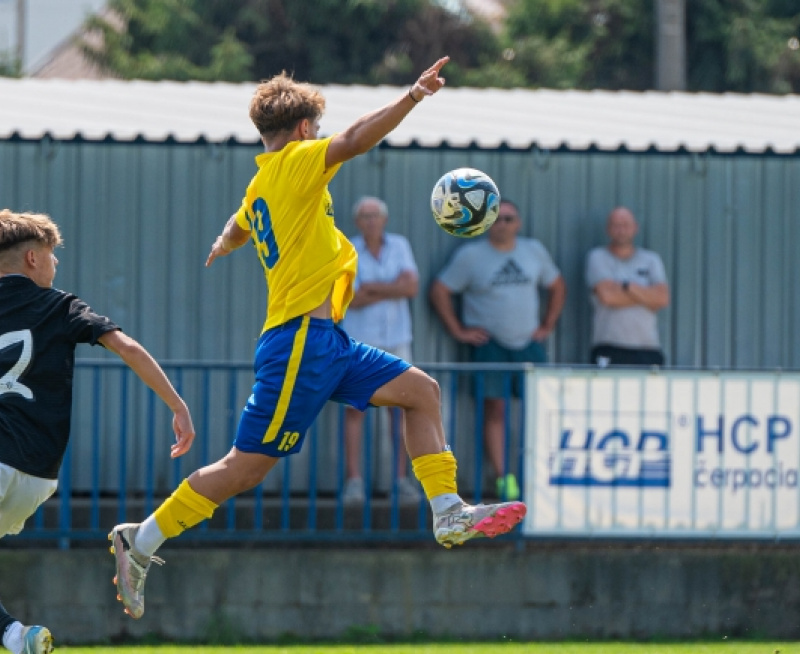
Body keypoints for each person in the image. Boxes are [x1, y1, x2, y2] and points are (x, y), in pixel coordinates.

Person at [108, 56, 527, 622]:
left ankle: (448, 511)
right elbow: (354, 140)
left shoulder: (263, 182)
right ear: (304, 130)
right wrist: (412, 96)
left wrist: (225, 240)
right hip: (298, 344)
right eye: (317, 131)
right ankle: (144, 537)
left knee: (420, 391)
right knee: (246, 467)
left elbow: (240, 220)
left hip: (327, 340)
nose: (322, 139)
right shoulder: (299, 162)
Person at [0, 209, 195, 654]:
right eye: (53, 256)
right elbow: (125, 345)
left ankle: (17, 637)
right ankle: (16, 639)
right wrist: (176, 405)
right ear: (32, 257)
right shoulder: (60, 307)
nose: (56, 266)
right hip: (37, 477)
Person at [429, 199, 566, 501]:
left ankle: (539, 476)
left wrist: (547, 325)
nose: (503, 224)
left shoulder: (534, 251)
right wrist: (458, 331)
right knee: (495, 410)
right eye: (497, 219)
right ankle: (505, 479)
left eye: (509, 218)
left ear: (518, 222)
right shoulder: (470, 255)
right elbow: (440, 289)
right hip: (490, 345)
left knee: (539, 410)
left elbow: (557, 285)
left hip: (528, 344)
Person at [341, 196, 421, 505]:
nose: (370, 220)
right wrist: (392, 287)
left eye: (375, 215)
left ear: (384, 219)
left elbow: (411, 288)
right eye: (364, 216)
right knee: (354, 409)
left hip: (397, 338)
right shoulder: (348, 248)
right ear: (357, 221)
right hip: (359, 340)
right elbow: (351, 298)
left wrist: (373, 288)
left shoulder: (400, 245)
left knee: (399, 409)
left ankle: (400, 480)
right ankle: (354, 481)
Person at [586, 206, 670, 366]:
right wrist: (647, 297)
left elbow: (662, 298)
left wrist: (627, 287)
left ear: (635, 228)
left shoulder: (651, 260)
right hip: (609, 346)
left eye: (625, 225)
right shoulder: (598, 257)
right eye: (616, 225)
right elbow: (608, 297)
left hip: (648, 348)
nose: (621, 230)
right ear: (608, 229)